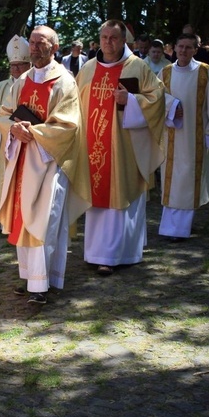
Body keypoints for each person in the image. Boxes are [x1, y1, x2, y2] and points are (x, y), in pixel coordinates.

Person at [0, 25, 90, 304]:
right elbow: (3, 115)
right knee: (22, 217)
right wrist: (13, 130)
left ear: (54, 47)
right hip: (22, 161)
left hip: (49, 161)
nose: (35, 48)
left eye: (41, 43)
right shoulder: (21, 80)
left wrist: (33, 132)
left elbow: (68, 125)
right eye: (33, 43)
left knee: (44, 219)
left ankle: (43, 284)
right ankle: (29, 277)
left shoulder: (64, 81)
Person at [76, 19, 164, 275]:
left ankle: (118, 255)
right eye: (104, 37)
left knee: (121, 196)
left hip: (125, 147)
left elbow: (157, 100)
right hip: (93, 144)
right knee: (97, 200)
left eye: (113, 38)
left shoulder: (137, 67)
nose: (108, 42)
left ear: (124, 40)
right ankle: (95, 253)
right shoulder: (88, 68)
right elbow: (75, 104)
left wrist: (133, 101)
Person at [158, 33, 209, 240]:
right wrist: (171, 106)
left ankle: (179, 230)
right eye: (180, 46)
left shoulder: (204, 73)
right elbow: (155, 97)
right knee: (171, 180)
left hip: (195, 139)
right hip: (171, 135)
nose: (183, 51)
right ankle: (169, 227)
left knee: (187, 180)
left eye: (188, 47)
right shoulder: (165, 73)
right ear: (174, 49)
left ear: (195, 50)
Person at [0, 35, 31, 203]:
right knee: (5, 175)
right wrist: (7, 116)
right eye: (13, 65)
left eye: (20, 65)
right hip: (4, 137)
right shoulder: (0, 86)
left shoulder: (34, 84)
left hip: (28, 137)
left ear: (29, 65)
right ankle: (5, 219)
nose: (16, 69)